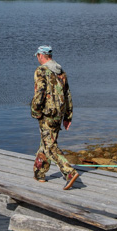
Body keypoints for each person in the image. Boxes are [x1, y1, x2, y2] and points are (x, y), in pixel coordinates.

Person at [30, 45, 78, 189]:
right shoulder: (61, 71)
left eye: (37, 56)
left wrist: (35, 110)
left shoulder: (41, 71)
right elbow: (67, 95)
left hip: (47, 114)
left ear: (41, 55)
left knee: (50, 146)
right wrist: (68, 116)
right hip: (59, 114)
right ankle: (39, 173)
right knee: (46, 142)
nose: (37, 58)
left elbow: (40, 92)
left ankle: (69, 172)